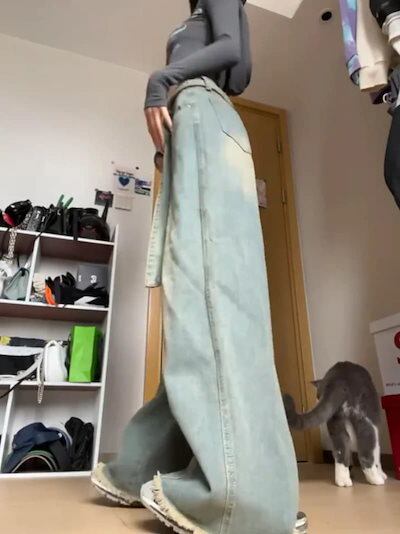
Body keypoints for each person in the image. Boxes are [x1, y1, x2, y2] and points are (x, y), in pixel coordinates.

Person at [92, 2, 307, 532]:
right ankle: (143, 467)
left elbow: (234, 57)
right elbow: (237, 66)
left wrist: (161, 81)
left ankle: (245, 499)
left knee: (213, 298)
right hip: (195, 122)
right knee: (193, 301)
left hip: (205, 114)